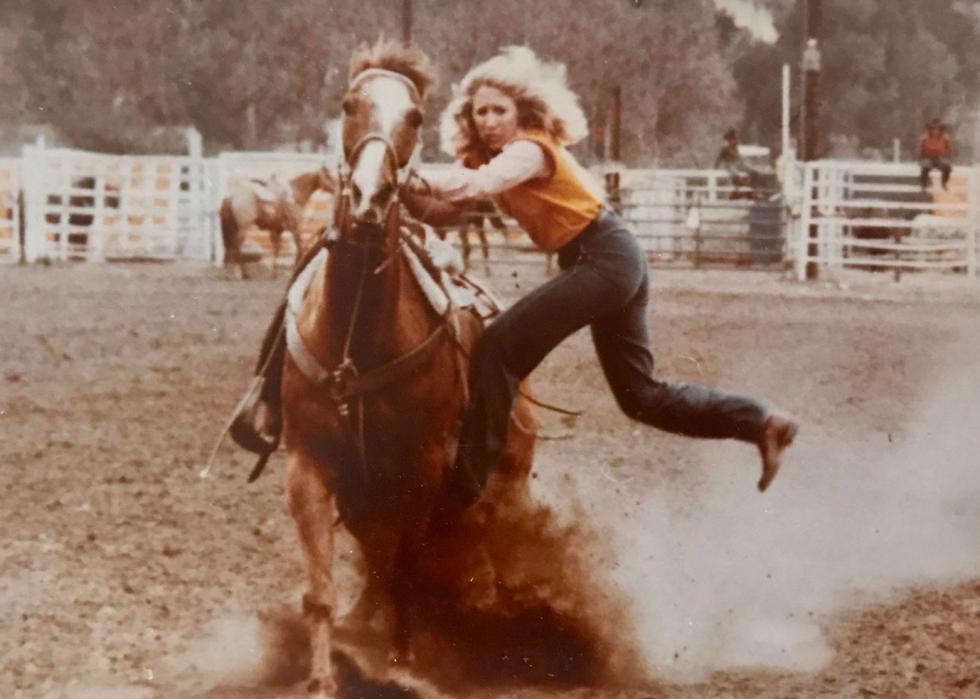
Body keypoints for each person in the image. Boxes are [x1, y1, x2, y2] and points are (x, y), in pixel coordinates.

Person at [411, 46, 797, 511]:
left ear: (522, 113)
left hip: (604, 257)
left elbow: (476, 186)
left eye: (499, 110)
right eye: (481, 112)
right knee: (642, 397)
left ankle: (464, 493)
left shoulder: (529, 149)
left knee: (496, 348)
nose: (489, 120)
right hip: (613, 258)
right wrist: (388, 194)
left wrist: (403, 174)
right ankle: (762, 421)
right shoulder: (489, 160)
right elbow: (445, 204)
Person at [715, 128, 757, 194]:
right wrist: (715, 168)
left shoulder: (736, 148)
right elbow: (719, 159)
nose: (735, 141)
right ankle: (738, 188)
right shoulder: (725, 149)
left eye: (735, 139)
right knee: (735, 173)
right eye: (733, 139)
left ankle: (750, 187)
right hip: (730, 164)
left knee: (750, 170)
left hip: (738, 164)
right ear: (729, 140)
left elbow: (740, 158)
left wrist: (745, 164)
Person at [919, 118, 952, 191]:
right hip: (929, 157)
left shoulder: (945, 138)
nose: (935, 131)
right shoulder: (925, 138)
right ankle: (923, 185)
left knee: (947, 167)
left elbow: (948, 149)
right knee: (924, 168)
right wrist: (922, 159)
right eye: (933, 128)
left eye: (937, 129)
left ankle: (944, 183)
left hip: (940, 157)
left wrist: (945, 156)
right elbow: (922, 150)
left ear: (941, 129)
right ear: (930, 129)